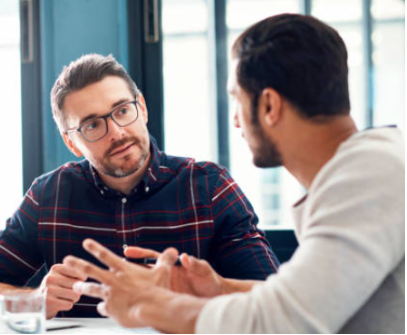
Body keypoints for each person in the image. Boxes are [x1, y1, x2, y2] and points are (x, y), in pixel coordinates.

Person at [65, 14, 405, 333]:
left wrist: (151, 305)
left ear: (269, 106)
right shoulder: (369, 169)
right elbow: (310, 299)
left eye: (237, 100)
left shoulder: (369, 177)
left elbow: (281, 323)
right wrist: (219, 288)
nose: (236, 121)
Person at [0, 54, 280, 318]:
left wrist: (213, 289)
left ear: (142, 108)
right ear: (71, 142)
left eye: (123, 110)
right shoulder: (47, 196)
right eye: (92, 125)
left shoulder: (210, 187)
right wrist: (34, 300)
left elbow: (274, 300)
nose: (117, 132)